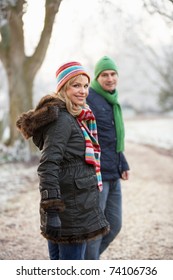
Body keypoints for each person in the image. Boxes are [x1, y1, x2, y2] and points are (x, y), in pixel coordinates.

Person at [16, 61, 110, 260]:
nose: (83, 91)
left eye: (85, 86)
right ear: (63, 88)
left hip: (76, 207)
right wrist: (52, 210)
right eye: (76, 85)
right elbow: (48, 165)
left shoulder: (76, 116)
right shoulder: (63, 120)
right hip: (69, 211)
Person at [85, 56, 130, 260]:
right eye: (104, 74)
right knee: (95, 229)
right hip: (97, 176)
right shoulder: (90, 98)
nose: (110, 78)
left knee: (114, 224)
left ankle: (85, 262)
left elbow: (112, 137)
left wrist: (123, 161)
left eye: (113, 74)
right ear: (97, 77)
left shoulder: (112, 98)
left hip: (114, 172)